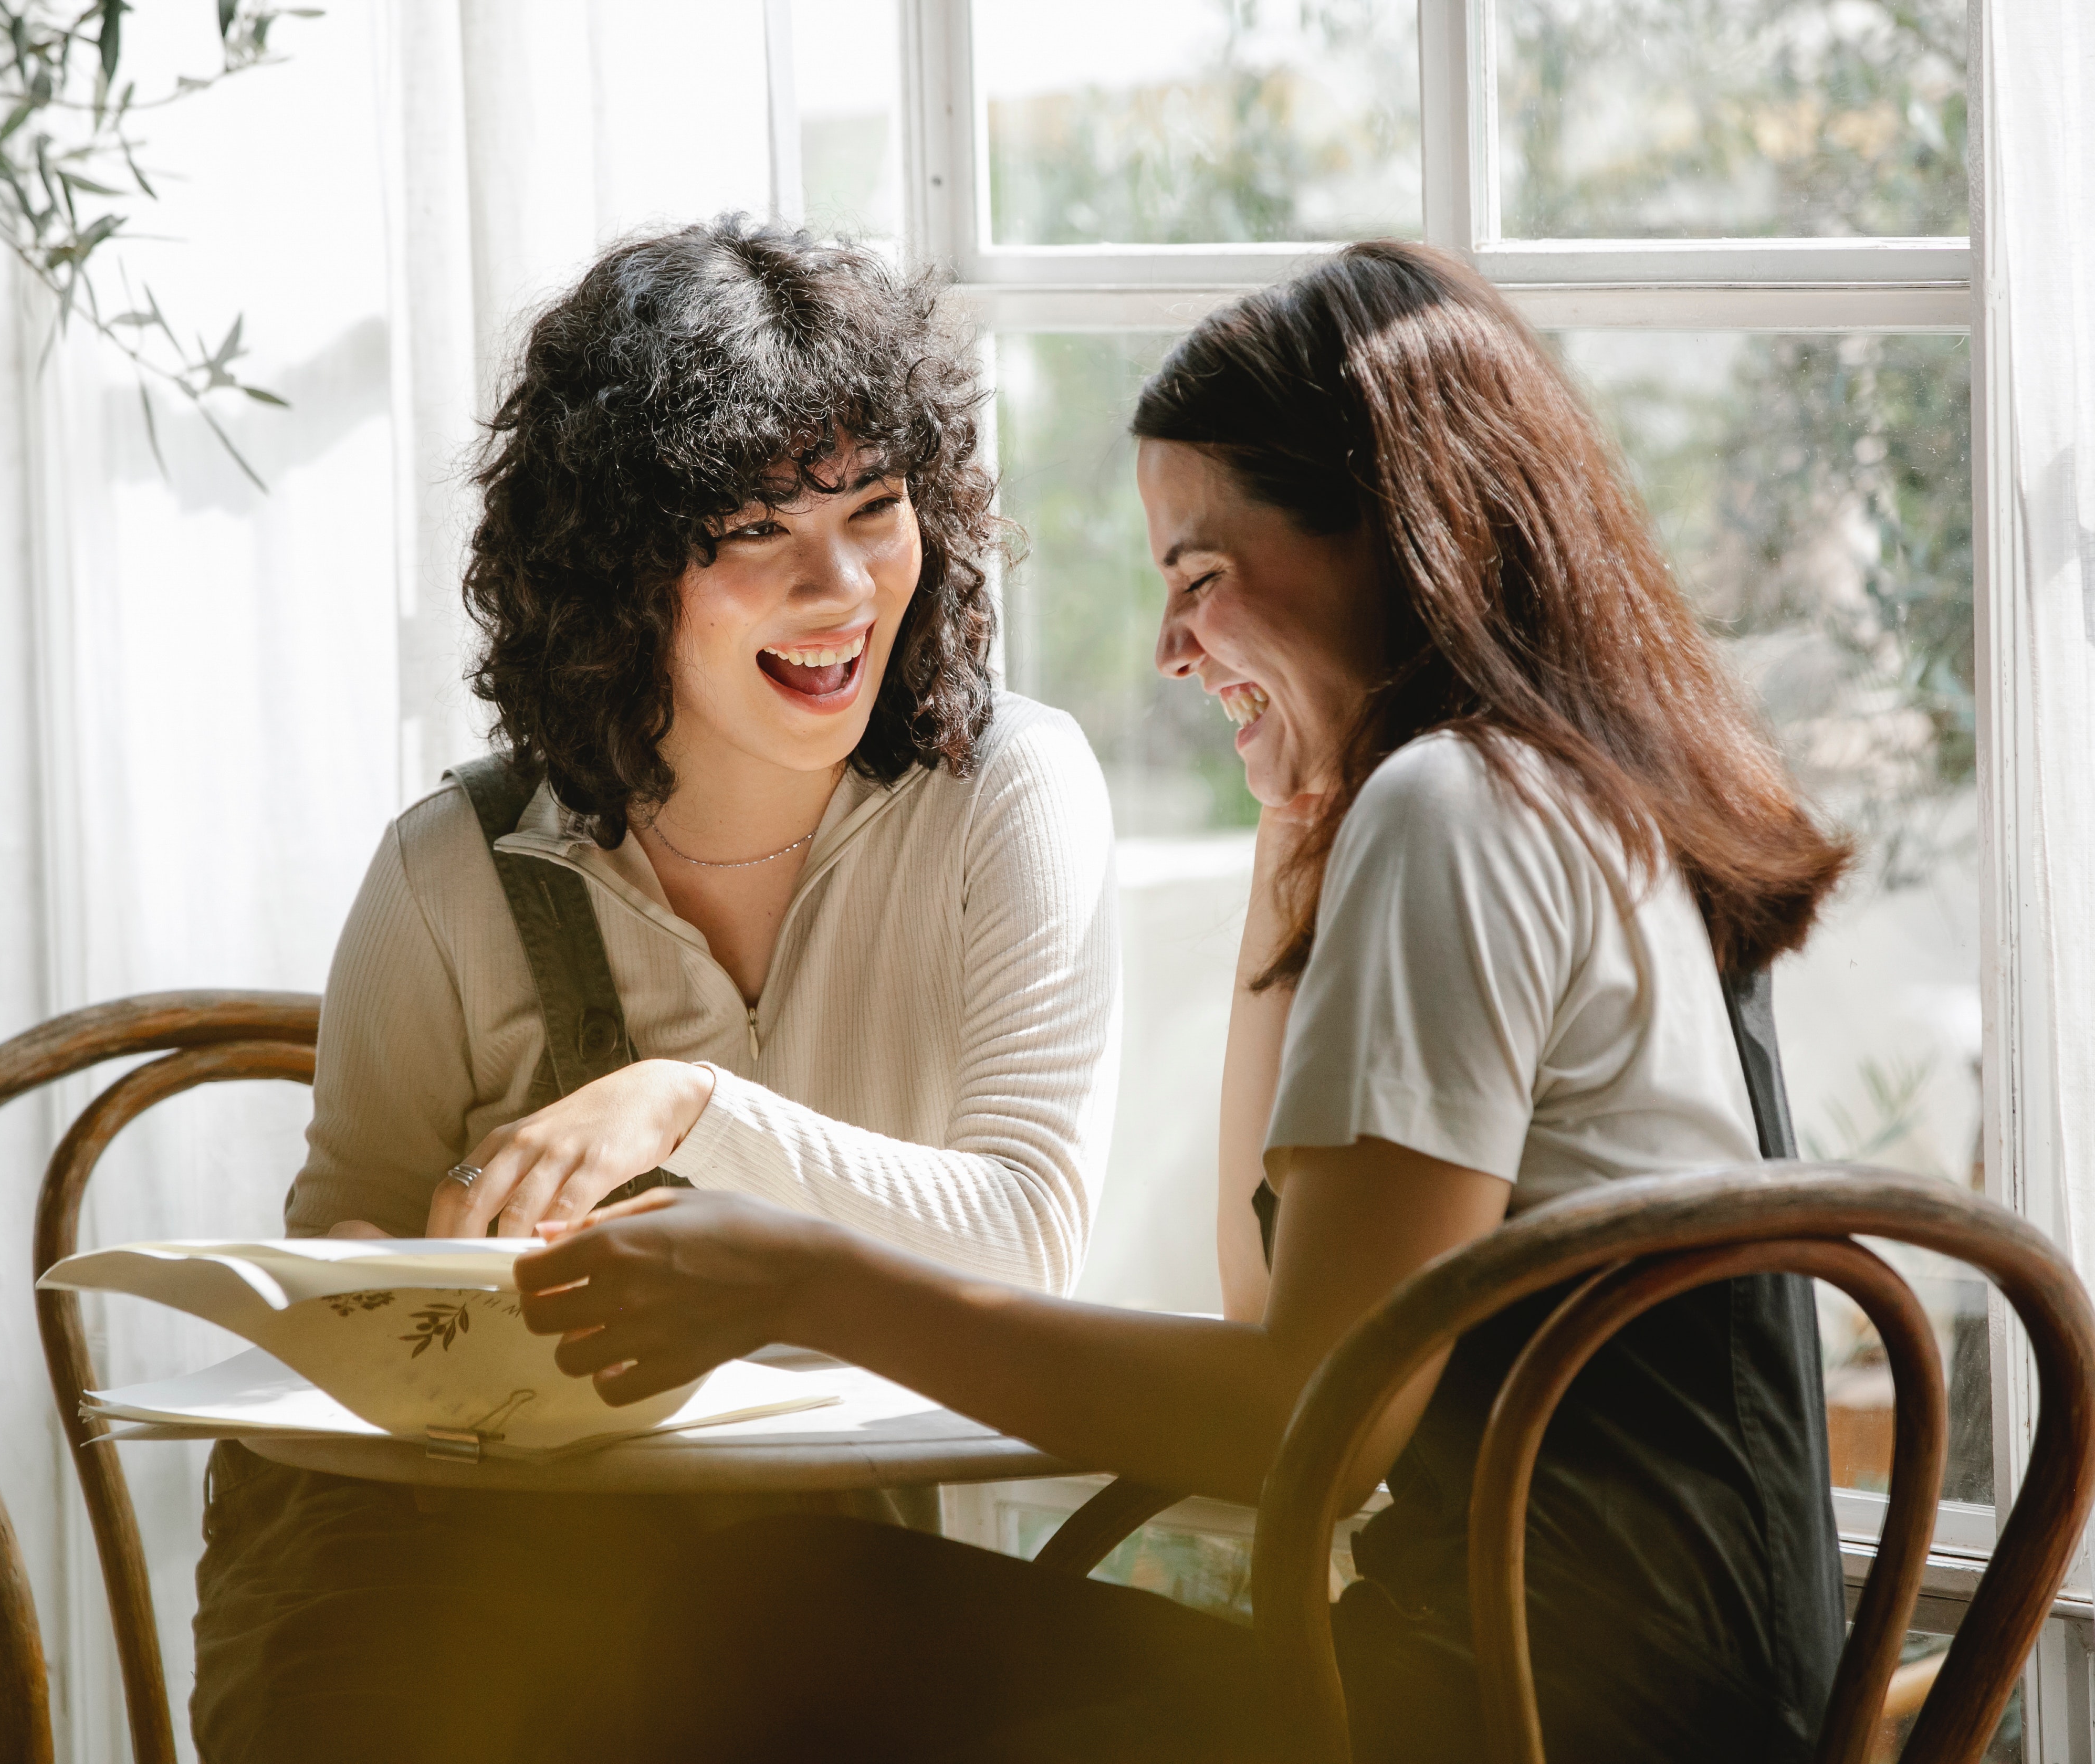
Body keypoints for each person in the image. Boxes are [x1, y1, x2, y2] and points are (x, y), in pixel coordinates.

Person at [516, 240, 1857, 1763]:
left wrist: (803, 1282)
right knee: (801, 1617)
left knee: (753, 1622)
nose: (1166, 648)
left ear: (1391, 539)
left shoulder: (1460, 811)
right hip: (1656, 1697)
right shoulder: (1556, 792)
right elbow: (1272, 1321)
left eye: (1201, 579)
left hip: (1530, 1717)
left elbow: (1312, 1431)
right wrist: (1293, 842)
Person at [188, 216, 1120, 1763]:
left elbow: (1031, 1242)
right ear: (618, 573)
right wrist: (407, 1276)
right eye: (756, 533)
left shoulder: (1008, 791)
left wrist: (687, 1106)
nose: (843, 592)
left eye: (878, 511)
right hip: (475, 1585)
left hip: (832, 1597)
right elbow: (344, 1230)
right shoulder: (451, 871)